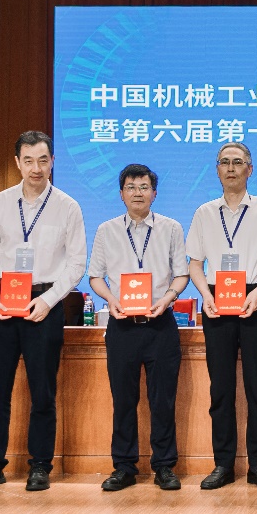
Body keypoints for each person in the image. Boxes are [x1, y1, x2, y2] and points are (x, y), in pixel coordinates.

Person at [0, 131, 87, 492]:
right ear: (18, 162)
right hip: (3, 304)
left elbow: (76, 263)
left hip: (44, 305)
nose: (36, 168)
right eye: (29, 160)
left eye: (43, 160)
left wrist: (48, 301)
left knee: (43, 392)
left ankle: (40, 465)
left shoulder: (68, 206)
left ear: (53, 162)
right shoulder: (0, 203)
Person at [186, 142, 257, 491]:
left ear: (250, 169)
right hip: (216, 301)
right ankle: (223, 464)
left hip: (256, 298)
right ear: (217, 169)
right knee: (221, 388)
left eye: (238, 162)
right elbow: (194, 263)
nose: (231, 168)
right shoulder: (204, 213)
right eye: (225, 162)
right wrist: (205, 295)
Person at [88, 164, 190, 491]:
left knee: (163, 401)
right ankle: (124, 467)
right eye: (131, 187)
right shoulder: (106, 230)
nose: (137, 193)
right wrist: (111, 299)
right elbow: (95, 276)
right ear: (121, 194)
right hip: (122, 326)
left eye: (144, 187)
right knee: (123, 400)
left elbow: (182, 274)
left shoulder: (171, 228)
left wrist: (168, 298)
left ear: (154, 193)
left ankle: (164, 466)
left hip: (160, 324)